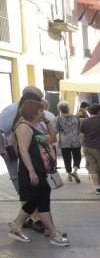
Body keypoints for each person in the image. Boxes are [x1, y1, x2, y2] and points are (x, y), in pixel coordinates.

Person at [5, 94, 70, 246]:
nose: (44, 113)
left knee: (35, 201)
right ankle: (54, 233)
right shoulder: (24, 127)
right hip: (33, 170)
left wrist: (46, 121)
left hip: (40, 169)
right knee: (42, 201)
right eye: (41, 110)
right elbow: (23, 150)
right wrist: (32, 171)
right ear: (33, 111)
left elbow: (52, 138)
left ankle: (16, 225)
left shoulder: (32, 126)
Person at [80, 103, 100, 194]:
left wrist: (82, 146)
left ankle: (98, 187)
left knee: (93, 168)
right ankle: (99, 187)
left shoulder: (84, 122)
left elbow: (82, 135)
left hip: (87, 147)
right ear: (99, 112)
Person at [55, 102, 82, 183]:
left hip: (64, 142)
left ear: (59, 109)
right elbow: (79, 128)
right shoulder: (76, 118)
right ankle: (75, 171)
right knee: (77, 156)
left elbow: (56, 130)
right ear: (68, 108)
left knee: (67, 158)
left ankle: (69, 175)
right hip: (76, 141)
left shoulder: (58, 119)